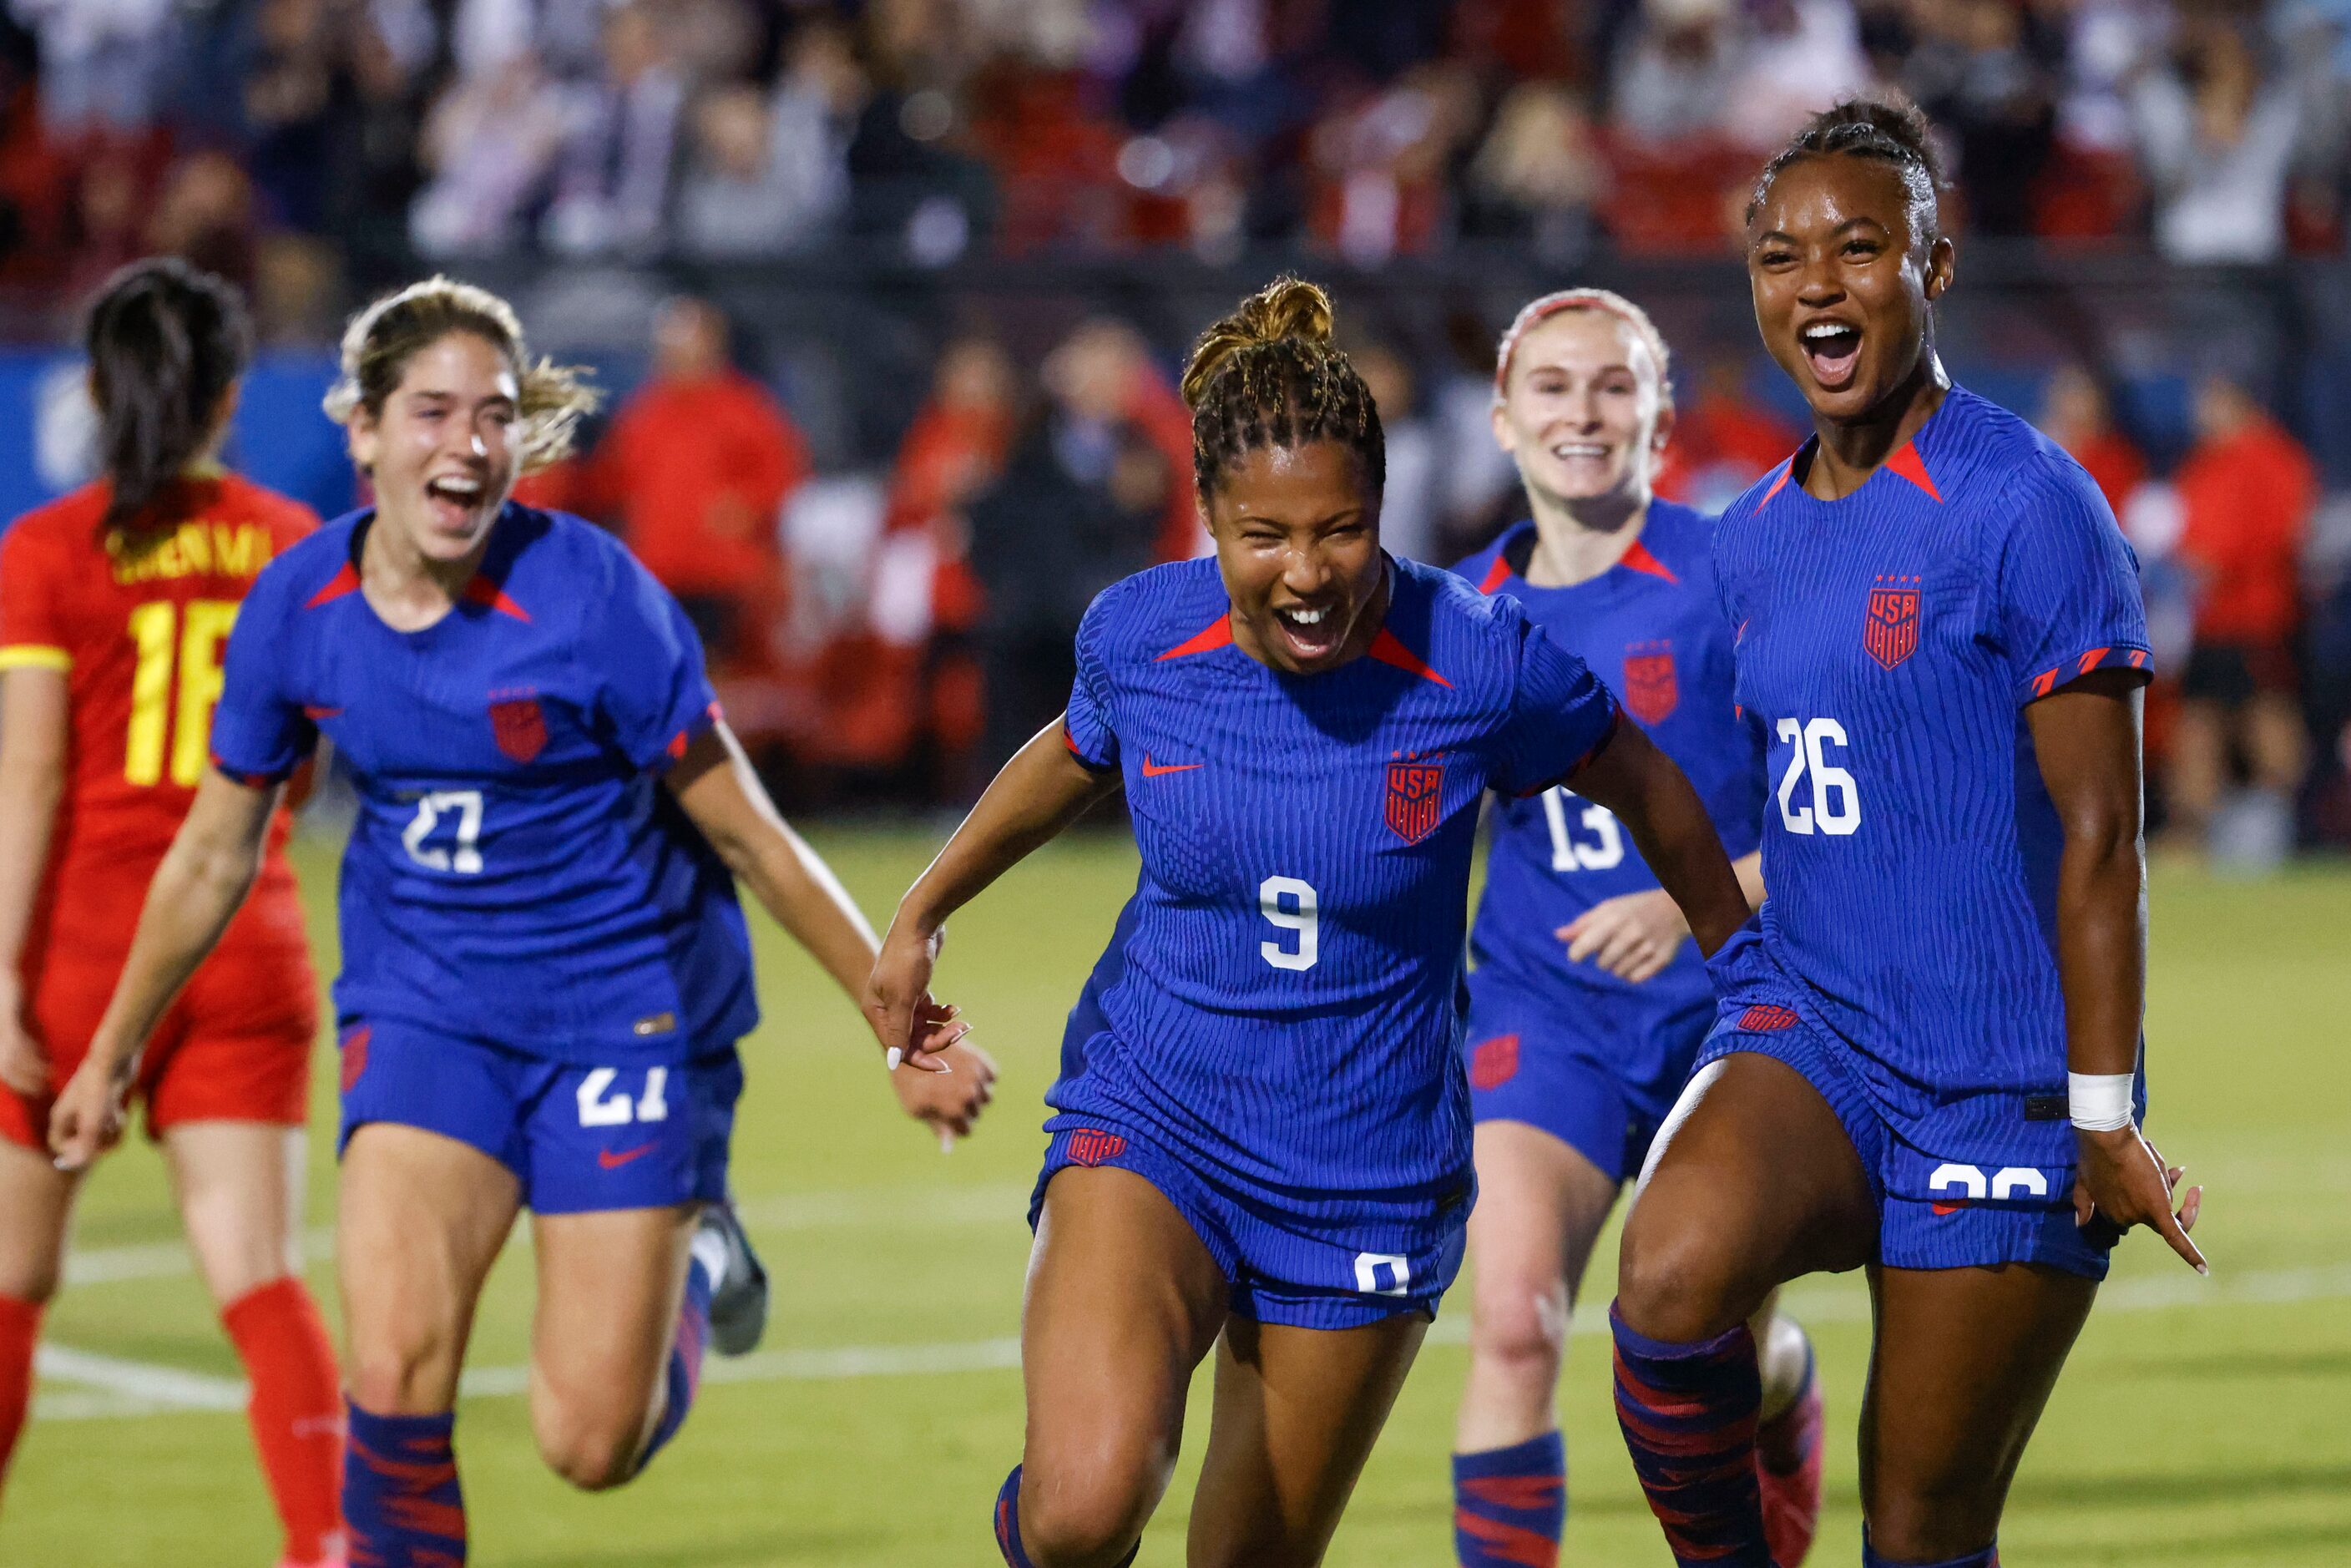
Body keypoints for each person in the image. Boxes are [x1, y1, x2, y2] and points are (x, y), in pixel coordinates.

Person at [46, 276, 993, 1567]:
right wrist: (109, 1048)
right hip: (426, 1007)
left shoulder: (593, 598)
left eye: (494, 413)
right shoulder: (294, 608)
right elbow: (215, 848)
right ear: (365, 431)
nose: (469, 440)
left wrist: (910, 1031)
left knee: (587, 1440)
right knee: (392, 1366)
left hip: (620, 1015)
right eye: (432, 409)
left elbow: (747, 834)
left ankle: (700, 1262)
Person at [862, 276, 1757, 1568]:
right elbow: (1070, 756)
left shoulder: (1476, 655)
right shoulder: (1140, 635)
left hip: (1368, 1167)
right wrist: (922, 912)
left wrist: (1741, 962)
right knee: (1082, 1508)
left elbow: (1648, 782)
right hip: (1158, 1111)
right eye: (1262, 537)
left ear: (1382, 511)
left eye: (1339, 531)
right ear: (1207, 521)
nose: (1306, 573)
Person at [1606, 100, 2203, 1568]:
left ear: (1934, 269)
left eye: (1859, 247)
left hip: (1999, 1077)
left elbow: (2099, 836)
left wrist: (2099, 1107)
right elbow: (1786, 799)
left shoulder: (2029, 508)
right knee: (1670, 1280)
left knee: (1923, 1522)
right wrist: (1737, 952)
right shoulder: (1740, 537)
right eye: (1778, 254)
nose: (1815, 281)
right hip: (1814, 1029)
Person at [1444, 289, 1819, 1568]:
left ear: (1661, 415)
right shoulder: (1458, 612)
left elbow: (1844, 808)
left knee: (1725, 1351)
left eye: (1614, 386)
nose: (1582, 413)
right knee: (1511, 1323)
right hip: (1543, 1013)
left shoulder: (1731, 578)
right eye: (1552, 387)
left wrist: (1693, 897)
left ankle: (1785, 1382)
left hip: (1738, 1018)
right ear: (1503, 417)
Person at [0, 258, 342, 1566]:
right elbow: (300, 773)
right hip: (238, 940)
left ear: (92, 390)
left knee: (11, 1290)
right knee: (258, 1280)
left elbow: (31, 772)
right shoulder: (286, 540)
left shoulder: (46, 548)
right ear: (232, 394)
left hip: (73, 948)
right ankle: (331, 1548)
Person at [2165, 372, 2316, 859]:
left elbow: (2283, 533)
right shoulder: (2202, 463)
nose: (2200, 414)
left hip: (2260, 619)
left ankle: (2291, 824)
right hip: (2210, 623)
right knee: (2198, 725)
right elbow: (2186, 529)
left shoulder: (2277, 459)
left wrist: (2220, 561)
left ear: (2236, 402)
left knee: (2268, 720)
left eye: (2208, 402)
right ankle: (2195, 833)